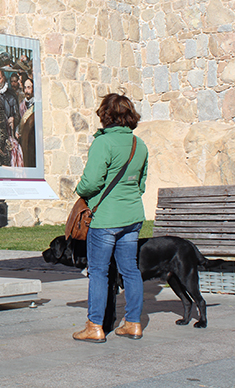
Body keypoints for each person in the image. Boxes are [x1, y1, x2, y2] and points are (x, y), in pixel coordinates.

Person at [72, 93, 149, 343]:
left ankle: (94, 325)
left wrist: (81, 191)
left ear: (106, 115)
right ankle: (133, 323)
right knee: (130, 271)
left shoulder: (103, 143)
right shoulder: (140, 145)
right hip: (133, 215)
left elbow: (92, 182)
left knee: (98, 272)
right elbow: (141, 184)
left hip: (106, 218)